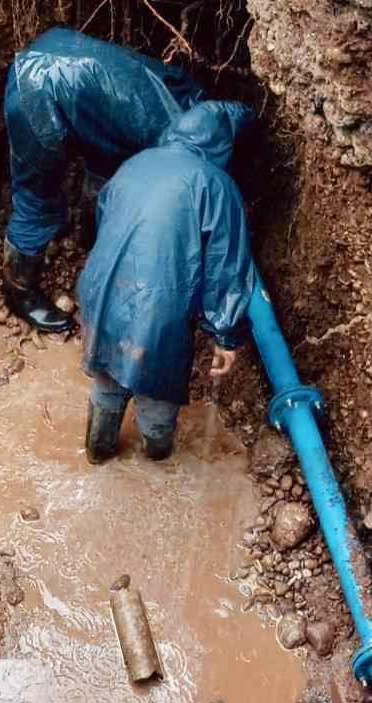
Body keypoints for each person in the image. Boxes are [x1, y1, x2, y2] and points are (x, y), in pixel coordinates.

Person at [77, 101, 256, 464]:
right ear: (222, 144)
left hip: (99, 290)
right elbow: (225, 266)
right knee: (156, 392)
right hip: (158, 305)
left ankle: (97, 454)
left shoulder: (135, 164)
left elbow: (103, 222)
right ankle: (155, 464)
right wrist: (225, 335)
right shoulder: (216, 185)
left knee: (107, 376)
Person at [2, 27, 204, 333]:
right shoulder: (171, 142)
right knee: (37, 197)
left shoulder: (187, 96)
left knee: (110, 163)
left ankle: (90, 236)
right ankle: (20, 292)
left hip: (61, 54)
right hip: (37, 93)